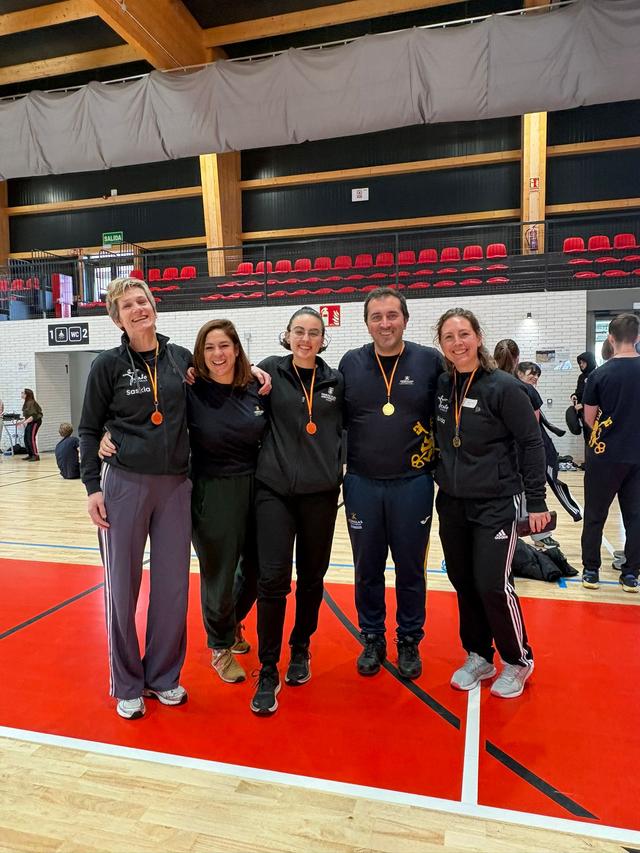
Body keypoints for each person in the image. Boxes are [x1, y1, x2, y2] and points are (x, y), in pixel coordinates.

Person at [79, 275, 193, 720]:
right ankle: (126, 682)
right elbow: (89, 429)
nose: (138, 309)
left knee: (172, 588)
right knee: (122, 589)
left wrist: (256, 372)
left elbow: (222, 381)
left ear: (154, 305)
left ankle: (163, 676)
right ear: (117, 319)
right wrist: (92, 488)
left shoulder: (181, 358)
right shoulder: (107, 365)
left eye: (142, 301)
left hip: (176, 485)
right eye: (127, 306)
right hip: (124, 484)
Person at [435, 308, 549, 699]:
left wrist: (536, 501)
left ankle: (518, 660)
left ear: (478, 337)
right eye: (449, 337)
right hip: (452, 503)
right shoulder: (441, 386)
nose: (457, 343)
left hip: (497, 503)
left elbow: (532, 444)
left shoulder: (503, 387)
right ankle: (479, 654)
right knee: (463, 581)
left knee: (492, 583)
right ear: (442, 345)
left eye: (464, 334)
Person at [339, 287, 442, 680]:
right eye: (376, 317)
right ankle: (372, 636)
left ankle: (410, 638)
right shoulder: (350, 363)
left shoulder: (429, 362)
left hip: (413, 482)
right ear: (367, 323)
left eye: (392, 315)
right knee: (367, 567)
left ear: (405, 318)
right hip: (362, 483)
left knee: (411, 567)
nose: (385, 323)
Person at [250, 307, 344, 716]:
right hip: (273, 491)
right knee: (272, 581)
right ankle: (268, 668)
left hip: (320, 495)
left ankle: (301, 647)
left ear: (323, 339)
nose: (306, 339)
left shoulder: (336, 381)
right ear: (287, 335)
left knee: (311, 579)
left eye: (314, 333)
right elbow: (219, 384)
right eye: (299, 332)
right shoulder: (267, 371)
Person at [187, 319, 267, 684]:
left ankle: (232, 624)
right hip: (212, 489)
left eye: (224, 346)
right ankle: (219, 645)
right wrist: (109, 432)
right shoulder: (190, 390)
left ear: (237, 349)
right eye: (209, 347)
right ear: (201, 355)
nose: (218, 354)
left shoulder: (255, 386)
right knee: (218, 575)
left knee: (257, 570)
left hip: (257, 486)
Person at [581, 313, 640, 593]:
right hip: (637, 455)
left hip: (605, 455)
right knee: (636, 517)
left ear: (610, 338)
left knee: (595, 514)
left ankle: (591, 571)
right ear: (638, 337)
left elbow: (590, 419)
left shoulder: (598, 374)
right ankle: (630, 575)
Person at [571, 350, 597, 445]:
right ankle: (588, 460)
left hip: (595, 413)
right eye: (580, 363)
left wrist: (583, 404)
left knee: (595, 437)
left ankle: (595, 459)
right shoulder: (581, 377)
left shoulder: (597, 375)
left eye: (583, 362)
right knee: (587, 437)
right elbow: (579, 392)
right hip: (583, 413)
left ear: (589, 361)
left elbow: (597, 395)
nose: (581, 365)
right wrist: (574, 395)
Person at [17, 388, 43, 461]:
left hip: (35, 422)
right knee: (26, 438)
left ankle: (35, 455)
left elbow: (33, 416)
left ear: (27, 394)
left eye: (23, 393)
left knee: (31, 438)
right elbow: (27, 416)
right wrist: (21, 422)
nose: (21, 394)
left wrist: (25, 422)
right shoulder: (27, 402)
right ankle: (30, 454)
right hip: (31, 421)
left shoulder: (31, 402)